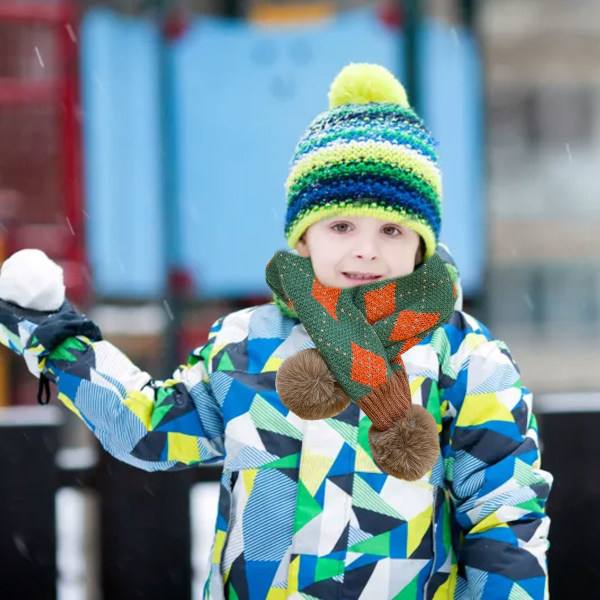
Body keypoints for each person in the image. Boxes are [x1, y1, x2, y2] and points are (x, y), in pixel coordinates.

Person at [0, 63, 552, 599]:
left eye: (391, 229)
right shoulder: (248, 344)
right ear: (304, 238)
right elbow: (150, 428)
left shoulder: (465, 360)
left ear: (421, 244)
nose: (366, 248)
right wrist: (54, 337)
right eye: (341, 225)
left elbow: (503, 519)